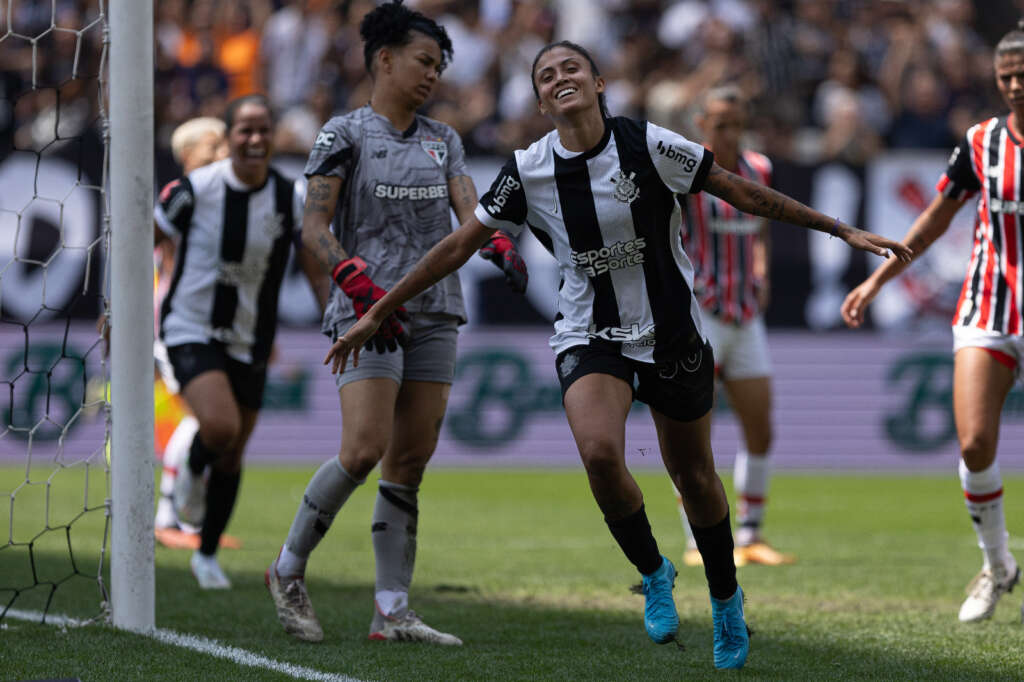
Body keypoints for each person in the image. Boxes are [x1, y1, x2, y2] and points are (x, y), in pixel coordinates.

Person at [324, 40, 910, 669]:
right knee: (601, 453)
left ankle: (725, 597)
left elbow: (740, 191)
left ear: (599, 82)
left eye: (571, 68)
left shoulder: (648, 145)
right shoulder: (529, 169)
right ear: (541, 100)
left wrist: (840, 230)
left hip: (672, 335)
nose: (560, 79)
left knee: (695, 477)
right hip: (589, 334)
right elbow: (457, 246)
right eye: (546, 76)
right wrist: (380, 310)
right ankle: (655, 572)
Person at [264, 1, 525, 646]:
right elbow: (314, 229)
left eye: (439, 65)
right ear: (385, 59)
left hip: (437, 310)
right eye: (424, 61)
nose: (434, 75)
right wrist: (351, 277)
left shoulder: (446, 139)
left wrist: (494, 243)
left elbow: (470, 210)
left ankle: (392, 610)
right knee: (363, 448)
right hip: (366, 311)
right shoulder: (342, 134)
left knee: (409, 460)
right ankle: (288, 568)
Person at [841, 21, 1024, 624]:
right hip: (988, 306)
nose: (1016, 85)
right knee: (974, 443)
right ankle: (997, 565)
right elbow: (936, 218)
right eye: (1006, 76)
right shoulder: (980, 143)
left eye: (1023, 75)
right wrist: (878, 277)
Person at [159, 93, 327, 589]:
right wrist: (115, 309)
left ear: (273, 138)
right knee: (219, 426)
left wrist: (333, 314)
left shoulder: (290, 197)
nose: (254, 139)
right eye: (244, 131)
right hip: (190, 326)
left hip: (252, 338)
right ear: (229, 138)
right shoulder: (193, 190)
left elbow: (314, 263)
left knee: (233, 453)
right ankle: (189, 474)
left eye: (263, 130)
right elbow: (142, 239)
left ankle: (207, 554)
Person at [673, 85, 794, 568]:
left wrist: (761, 270)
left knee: (760, 427)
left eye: (735, 123)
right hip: (701, 313)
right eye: (719, 123)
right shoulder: (686, 172)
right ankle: (695, 538)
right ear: (702, 124)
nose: (728, 131)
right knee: (693, 436)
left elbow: (761, 228)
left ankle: (749, 534)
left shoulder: (759, 168)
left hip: (745, 316)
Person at [153, 115, 232, 551]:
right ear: (188, 156)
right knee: (199, 416)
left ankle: (177, 514)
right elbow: (147, 248)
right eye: (213, 145)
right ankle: (169, 515)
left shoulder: (223, 197)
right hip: (177, 322)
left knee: (207, 418)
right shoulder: (180, 197)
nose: (223, 152)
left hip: (212, 325)